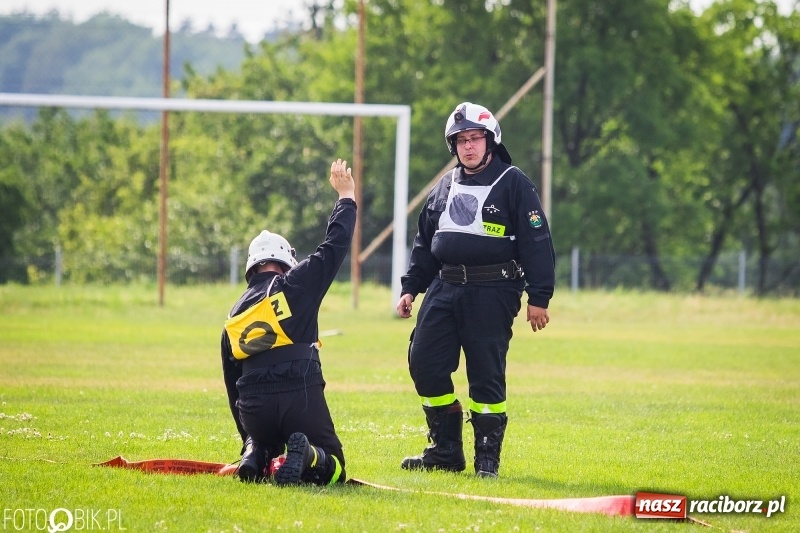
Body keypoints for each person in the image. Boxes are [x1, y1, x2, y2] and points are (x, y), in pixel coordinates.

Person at [396, 102, 555, 478]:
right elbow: (424, 241)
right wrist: (410, 288)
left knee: (485, 372)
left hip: (493, 290)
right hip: (444, 287)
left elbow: (537, 242)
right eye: (461, 140)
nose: (468, 146)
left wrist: (539, 297)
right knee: (425, 363)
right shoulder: (445, 185)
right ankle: (445, 452)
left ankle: (487, 460)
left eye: (475, 138)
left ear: (491, 140)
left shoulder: (514, 182)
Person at [220, 158, 356, 486]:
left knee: (260, 437)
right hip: (300, 395)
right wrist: (346, 197)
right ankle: (309, 455)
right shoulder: (294, 284)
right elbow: (333, 247)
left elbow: (230, 382)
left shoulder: (234, 314)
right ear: (286, 263)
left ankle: (257, 453)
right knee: (336, 464)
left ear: (252, 268)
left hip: (253, 407)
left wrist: (249, 435)